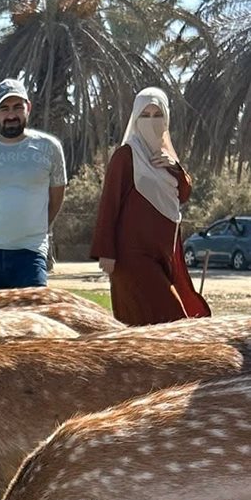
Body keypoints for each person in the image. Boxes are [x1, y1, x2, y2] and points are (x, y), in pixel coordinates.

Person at [90, 87, 210, 325]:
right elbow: (109, 204)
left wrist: (173, 167)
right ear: (135, 118)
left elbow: (183, 194)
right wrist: (106, 252)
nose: (152, 121)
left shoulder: (166, 157)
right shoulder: (125, 156)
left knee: (151, 330)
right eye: (145, 115)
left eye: (158, 115)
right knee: (173, 320)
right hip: (131, 257)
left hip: (163, 256)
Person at [0, 78, 67, 292]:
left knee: (33, 322)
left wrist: (33, 225)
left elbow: (56, 198)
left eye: (18, 107)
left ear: (28, 108)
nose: (11, 115)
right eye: (4, 108)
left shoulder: (49, 148)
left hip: (30, 253)